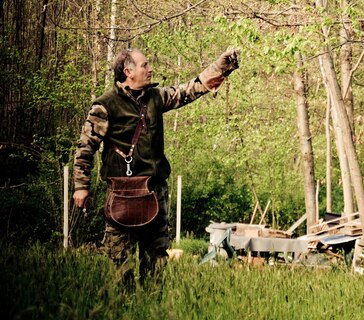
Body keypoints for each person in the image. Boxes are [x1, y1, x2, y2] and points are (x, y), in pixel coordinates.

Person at [72, 47, 239, 280]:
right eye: (145, 65)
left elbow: (192, 88)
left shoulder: (156, 98)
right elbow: (85, 148)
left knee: (156, 263)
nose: (150, 69)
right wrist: (81, 186)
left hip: (155, 191)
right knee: (122, 266)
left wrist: (221, 66)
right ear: (128, 71)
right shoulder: (104, 105)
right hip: (121, 195)